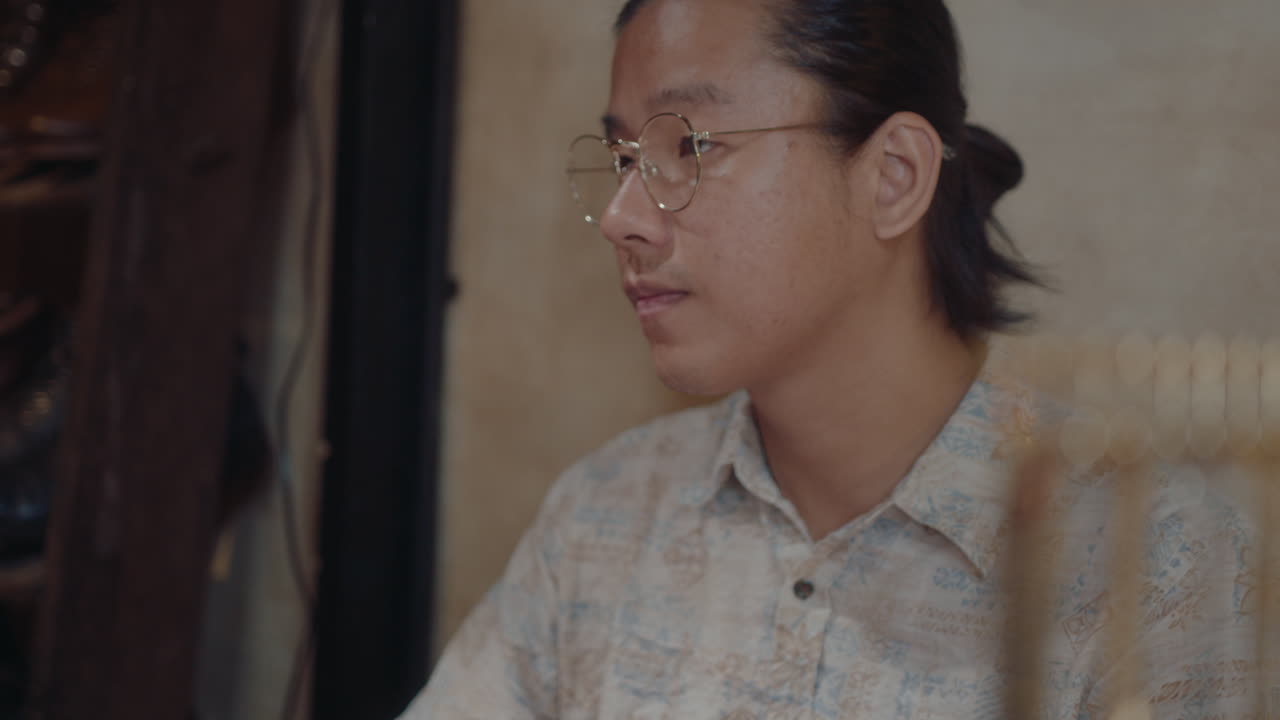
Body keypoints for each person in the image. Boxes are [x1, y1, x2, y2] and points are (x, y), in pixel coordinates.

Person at [402, 0, 1262, 717]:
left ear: (892, 175)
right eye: (625, 156)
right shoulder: (603, 521)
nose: (625, 215)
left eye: (688, 148)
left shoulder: (1148, 566)